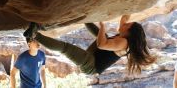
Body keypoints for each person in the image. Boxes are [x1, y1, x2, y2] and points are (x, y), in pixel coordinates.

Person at [24, 15, 156, 75]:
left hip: (91, 66)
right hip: (94, 57)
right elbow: (123, 19)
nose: (123, 25)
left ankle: (34, 34)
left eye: (127, 26)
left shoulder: (124, 42)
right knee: (101, 34)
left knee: (66, 48)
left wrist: (103, 26)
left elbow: (101, 44)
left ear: (129, 33)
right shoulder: (124, 36)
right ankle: (83, 18)